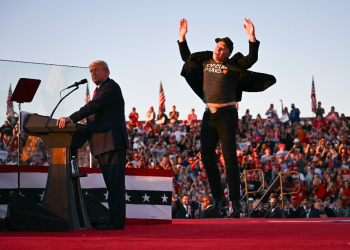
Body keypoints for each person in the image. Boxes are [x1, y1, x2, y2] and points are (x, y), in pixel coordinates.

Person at [178, 18, 275, 214]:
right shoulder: (205, 62)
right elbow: (187, 58)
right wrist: (182, 38)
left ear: (228, 52)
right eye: (217, 46)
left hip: (227, 114)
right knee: (206, 155)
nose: (218, 49)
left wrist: (252, 38)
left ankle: (235, 200)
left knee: (229, 157)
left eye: (222, 48)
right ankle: (218, 197)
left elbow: (250, 60)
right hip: (208, 115)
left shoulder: (233, 64)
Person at [57, 60, 129, 230]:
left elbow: (93, 106)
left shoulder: (110, 87)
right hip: (103, 143)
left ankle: (116, 222)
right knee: (111, 185)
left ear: (107, 72)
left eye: (96, 70)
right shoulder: (101, 90)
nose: (93, 73)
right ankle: (114, 220)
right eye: (91, 71)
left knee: (115, 185)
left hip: (111, 142)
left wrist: (70, 118)